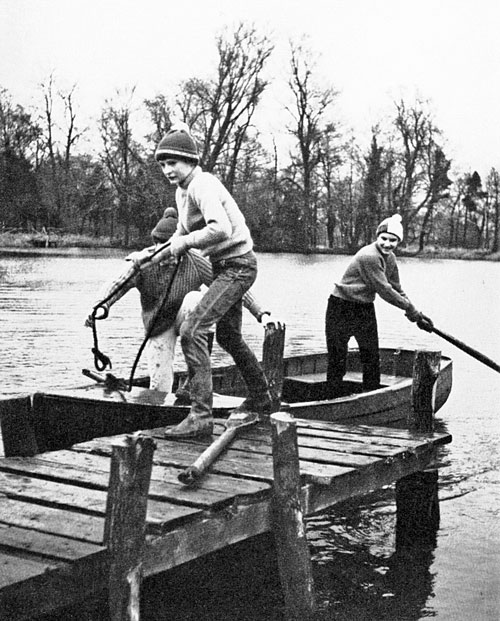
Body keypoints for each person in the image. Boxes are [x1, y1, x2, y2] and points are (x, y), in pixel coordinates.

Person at [151, 122, 273, 438]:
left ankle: (201, 416)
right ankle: (262, 398)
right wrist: (161, 252)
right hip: (223, 267)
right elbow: (180, 232)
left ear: (190, 161)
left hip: (239, 266)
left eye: (173, 162)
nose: (167, 169)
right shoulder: (182, 192)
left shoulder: (202, 184)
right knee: (228, 338)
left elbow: (221, 230)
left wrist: (185, 243)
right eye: (163, 164)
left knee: (192, 330)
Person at [86, 207, 277, 395]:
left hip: (186, 317)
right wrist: (99, 307)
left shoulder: (195, 260)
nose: (166, 253)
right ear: (155, 243)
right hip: (158, 325)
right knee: (159, 387)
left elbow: (232, 285)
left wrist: (261, 313)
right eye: (161, 245)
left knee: (196, 299)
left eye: (170, 246)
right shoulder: (143, 261)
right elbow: (117, 284)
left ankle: (192, 382)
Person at [325, 213, 432, 397]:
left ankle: (371, 398)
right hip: (340, 307)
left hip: (363, 308)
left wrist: (416, 314)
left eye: (393, 240)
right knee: (337, 357)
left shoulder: (390, 258)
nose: (387, 244)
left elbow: (397, 288)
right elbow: (384, 290)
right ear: (377, 237)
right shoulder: (369, 256)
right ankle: (331, 399)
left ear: (398, 242)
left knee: (371, 357)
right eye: (383, 239)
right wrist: (411, 310)